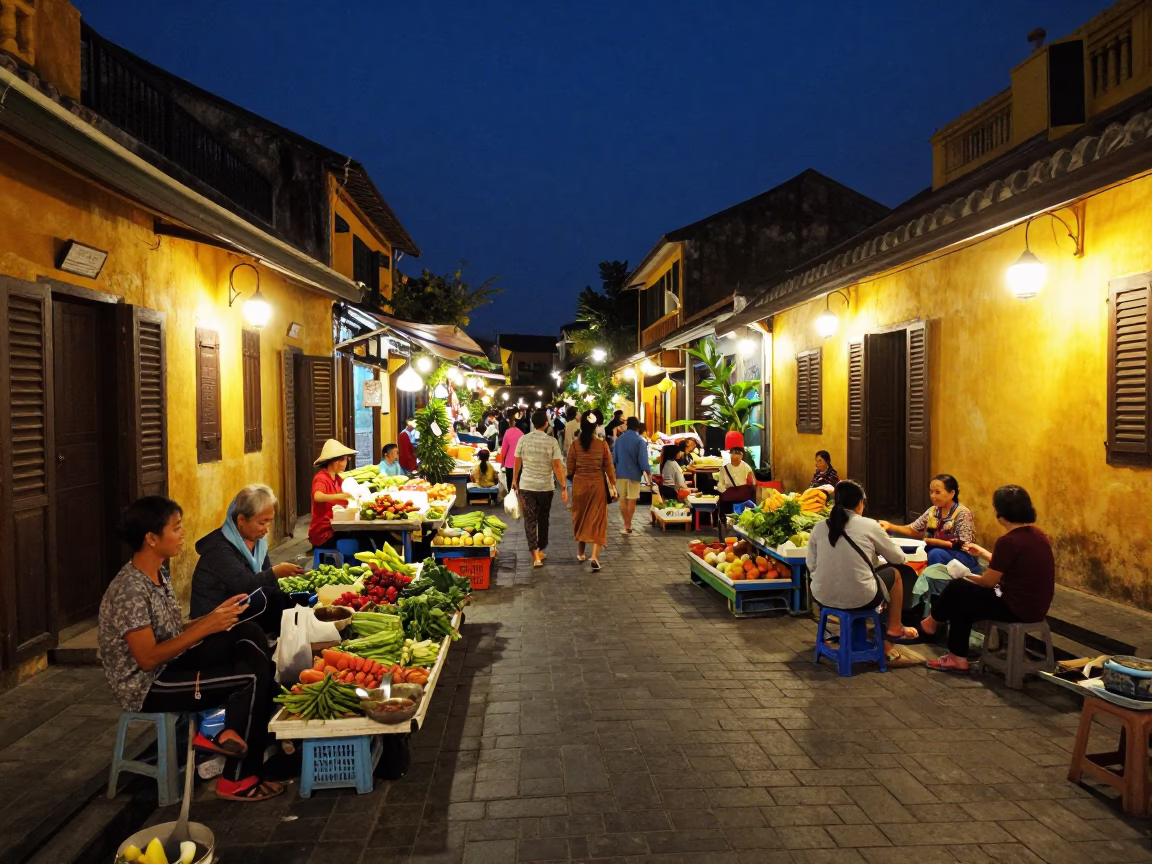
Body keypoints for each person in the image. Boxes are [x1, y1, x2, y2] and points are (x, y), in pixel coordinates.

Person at [99, 496, 283, 801]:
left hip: (174, 661)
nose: (183, 533)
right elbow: (146, 659)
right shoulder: (129, 589)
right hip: (150, 684)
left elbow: (171, 631)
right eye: (176, 528)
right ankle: (237, 779)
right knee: (248, 679)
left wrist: (211, 618)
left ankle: (233, 732)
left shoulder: (158, 573)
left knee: (247, 632)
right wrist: (205, 628)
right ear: (151, 539)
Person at [921, 485, 1054, 673]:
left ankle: (932, 622)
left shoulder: (1008, 541)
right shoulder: (1037, 535)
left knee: (958, 587)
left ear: (1001, 511)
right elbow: (1011, 564)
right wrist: (983, 553)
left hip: (1015, 607)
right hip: (1036, 606)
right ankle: (956, 658)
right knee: (961, 601)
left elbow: (988, 582)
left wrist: (965, 575)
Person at [806, 480, 920, 665]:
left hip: (822, 596)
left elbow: (811, 565)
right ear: (860, 503)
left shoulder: (819, 527)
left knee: (869, 580)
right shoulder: (869, 525)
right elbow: (899, 558)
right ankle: (894, 628)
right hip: (861, 597)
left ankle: (874, 636)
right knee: (896, 575)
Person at [190, 485, 302, 635]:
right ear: (241, 520)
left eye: (269, 522)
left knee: (286, 602)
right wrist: (275, 572)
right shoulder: (218, 550)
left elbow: (268, 580)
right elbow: (245, 585)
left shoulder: (258, 542)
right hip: (213, 622)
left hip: (242, 607)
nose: (267, 529)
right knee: (272, 609)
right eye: (262, 523)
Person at [879, 474, 980, 571]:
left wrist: (932, 541)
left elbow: (965, 545)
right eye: (931, 492)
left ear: (952, 493)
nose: (933, 496)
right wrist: (890, 526)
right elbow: (913, 528)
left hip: (960, 556)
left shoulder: (962, 513)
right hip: (936, 550)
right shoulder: (933, 511)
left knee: (935, 553)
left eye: (937, 492)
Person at [514, 409, 568, 567]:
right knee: (543, 518)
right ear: (546, 423)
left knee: (530, 519)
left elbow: (517, 460)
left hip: (527, 486)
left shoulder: (523, 439)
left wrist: (515, 479)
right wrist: (563, 485)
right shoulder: (551, 442)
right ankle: (540, 548)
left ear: (532, 423)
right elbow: (557, 466)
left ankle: (536, 555)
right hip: (546, 487)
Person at [567, 410, 617, 571]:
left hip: (580, 486)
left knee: (581, 518)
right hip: (597, 486)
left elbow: (570, 469)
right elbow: (608, 467)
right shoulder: (602, 444)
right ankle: (594, 556)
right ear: (596, 426)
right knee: (598, 520)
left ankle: (581, 553)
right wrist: (613, 485)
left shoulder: (574, 445)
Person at [308, 439, 358, 549]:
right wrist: (341, 496)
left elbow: (346, 496)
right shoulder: (321, 478)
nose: (346, 463)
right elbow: (318, 496)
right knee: (358, 542)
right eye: (345, 459)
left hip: (336, 527)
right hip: (323, 532)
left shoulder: (337, 479)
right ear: (337, 461)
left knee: (363, 536)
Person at [613, 417, 651, 534]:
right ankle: (629, 525)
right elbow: (643, 460)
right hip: (634, 475)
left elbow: (615, 458)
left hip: (621, 473)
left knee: (623, 499)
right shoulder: (640, 441)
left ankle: (626, 524)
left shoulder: (619, 440)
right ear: (638, 427)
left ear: (627, 425)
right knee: (632, 500)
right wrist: (648, 473)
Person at [499, 417, 525, 492]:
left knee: (510, 482)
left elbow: (504, 448)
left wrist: (502, 461)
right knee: (519, 482)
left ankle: (511, 499)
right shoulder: (522, 433)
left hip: (509, 463)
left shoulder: (507, 432)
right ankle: (519, 499)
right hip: (520, 462)